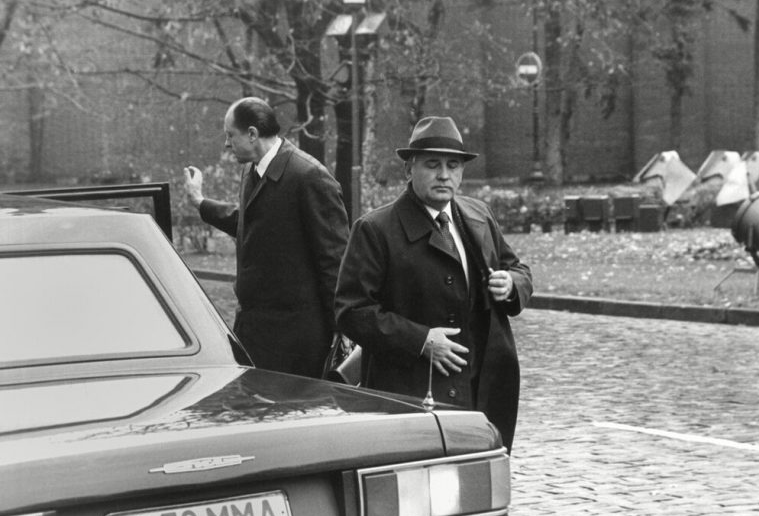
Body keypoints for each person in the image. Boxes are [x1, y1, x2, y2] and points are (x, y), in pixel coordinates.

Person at [335, 116, 532, 449]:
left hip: (482, 391)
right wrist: (421, 340)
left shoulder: (478, 216)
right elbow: (351, 311)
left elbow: (518, 268)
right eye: (432, 164)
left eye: (453, 166)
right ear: (409, 169)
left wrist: (512, 283)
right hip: (411, 394)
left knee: (477, 476)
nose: (444, 175)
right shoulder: (375, 229)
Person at [183, 97, 349, 378]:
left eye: (230, 135)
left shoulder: (310, 177)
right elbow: (250, 221)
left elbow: (335, 261)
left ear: (252, 134)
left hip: (298, 345)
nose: (226, 144)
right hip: (256, 335)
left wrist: (343, 328)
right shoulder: (252, 169)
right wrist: (200, 202)